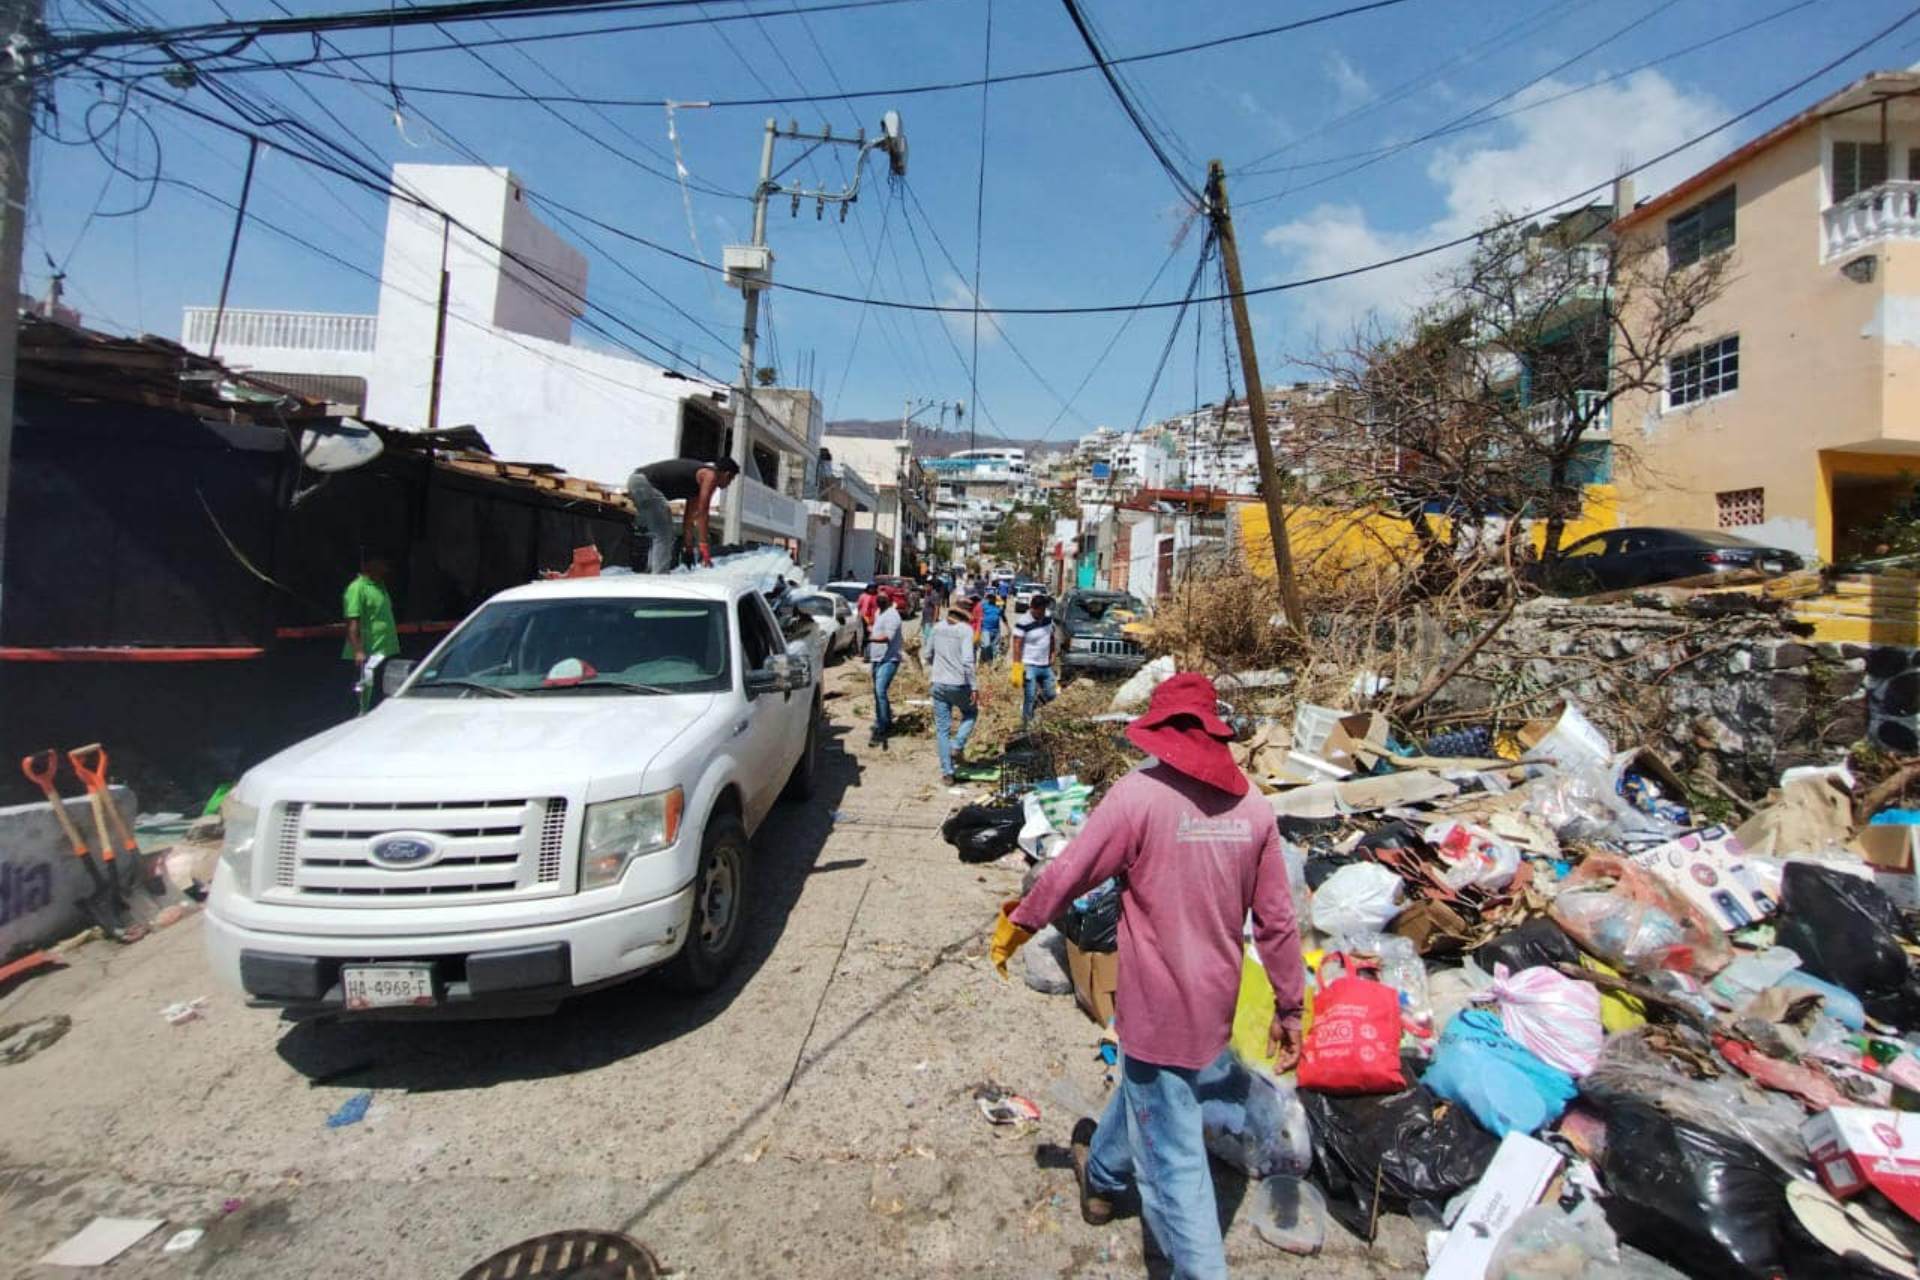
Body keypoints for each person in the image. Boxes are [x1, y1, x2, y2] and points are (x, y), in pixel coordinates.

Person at [989, 674, 1305, 1279]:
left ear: (1161, 732)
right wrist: (1290, 1009)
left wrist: (1020, 922)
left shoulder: (1138, 797)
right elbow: (1277, 922)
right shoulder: (1254, 809)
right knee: (1151, 1087)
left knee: (1176, 1168)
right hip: (1213, 1006)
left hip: (1158, 1009)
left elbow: (1071, 871)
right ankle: (1102, 1177)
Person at [625, 455, 740, 572]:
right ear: (727, 474)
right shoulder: (710, 475)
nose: (729, 484)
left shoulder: (697, 485)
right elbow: (703, 513)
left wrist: (688, 548)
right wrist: (704, 547)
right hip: (643, 483)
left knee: (661, 532)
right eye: (731, 480)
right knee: (664, 533)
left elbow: (689, 519)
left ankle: (653, 571)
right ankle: (659, 575)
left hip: (638, 482)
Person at [925, 603, 985, 782]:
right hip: (959, 683)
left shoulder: (937, 628)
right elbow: (967, 661)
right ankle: (957, 745)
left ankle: (947, 773)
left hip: (938, 683)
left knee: (942, 730)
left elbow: (927, 654)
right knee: (971, 712)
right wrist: (974, 686)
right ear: (964, 617)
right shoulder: (965, 630)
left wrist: (938, 667)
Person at [343, 551, 401, 713]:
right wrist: (358, 651)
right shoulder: (357, 588)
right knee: (364, 691)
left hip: (385, 650)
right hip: (367, 653)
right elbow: (352, 621)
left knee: (382, 693)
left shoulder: (380, 586)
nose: (385, 568)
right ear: (370, 564)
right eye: (381, 564)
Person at [1015, 593, 1059, 729]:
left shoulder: (1048, 618)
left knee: (1052, 694)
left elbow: (1051, 636)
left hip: (1045, 665)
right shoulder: (1023, 621)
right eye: (1040, 610)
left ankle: (1033, 707)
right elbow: (1017, 644)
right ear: (1033, 608)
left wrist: (1052, 653)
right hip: (1029, 665)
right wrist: (1017, 667)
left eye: (1044, 609)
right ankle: (1025, 725)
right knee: (1030, 695)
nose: (1042, 613)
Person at [866, 593, 904, 746]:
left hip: (889, 659)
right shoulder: (878, 612)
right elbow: (876, 628)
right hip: (876, 658)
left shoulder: (893, 616)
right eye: (879, 596)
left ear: (889, 599)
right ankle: (885, 719)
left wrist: (869, 638)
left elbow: (887, 637)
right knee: (877, 692)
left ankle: (882, 725)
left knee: (880, 690)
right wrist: (870, 628)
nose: (880, 599)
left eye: (883, 597)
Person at [980, 593, 1004, 662]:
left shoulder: (998, 607)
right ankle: (987, 661)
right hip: (986, 629)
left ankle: (993, 663)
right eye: (990, 597)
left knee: (995, 647)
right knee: (986, 645)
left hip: (996, 630)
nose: (991, 599)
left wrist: (997, 597)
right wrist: (985, 597)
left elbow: (1002, 605)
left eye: (993, 598)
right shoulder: (984, 605)